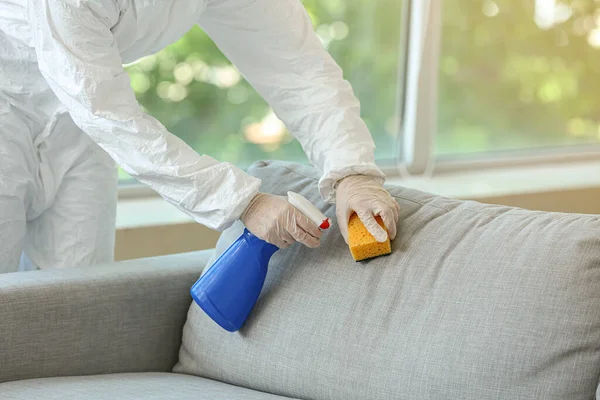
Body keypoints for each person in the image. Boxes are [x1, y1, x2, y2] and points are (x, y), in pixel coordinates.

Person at [0, 0, 400, 272]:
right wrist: (244, 202)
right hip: (14, 104)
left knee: (75, 306)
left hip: (83, 129)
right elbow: (102, 108)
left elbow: (297, 68)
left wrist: (352, 172)